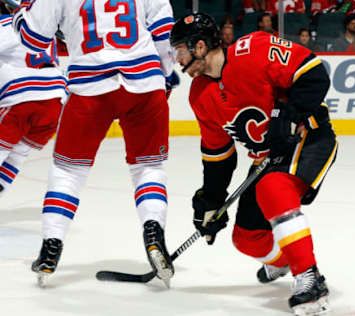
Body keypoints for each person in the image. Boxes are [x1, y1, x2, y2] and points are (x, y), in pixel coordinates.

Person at [171, 13, 337, 316]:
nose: (177, 60)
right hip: (268, 158)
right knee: (246, 239)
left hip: (307, 137)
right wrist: (211, 199)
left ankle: (309, 277)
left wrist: (288, 117)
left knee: (272, 187)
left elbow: (313, 72)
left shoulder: (253, 49)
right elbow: (218, 154)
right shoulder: (199, 95)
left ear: (199, 46)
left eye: (180, 50)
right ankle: (284, 261)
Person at [13, 0, 177, 287]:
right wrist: (166, 74)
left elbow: (33, 40)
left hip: (91, 86)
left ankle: (51, 247)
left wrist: (20, 15)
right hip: (144, 80)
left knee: (68, 171)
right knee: (147, 167)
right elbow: (164, 30)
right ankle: (154, 233)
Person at [0, 4, 67, 200]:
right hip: (56, 100)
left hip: (22, 98)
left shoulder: (6, 25)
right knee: (19, 153)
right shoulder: (46, 29)